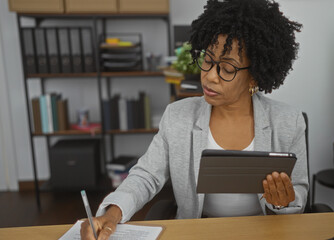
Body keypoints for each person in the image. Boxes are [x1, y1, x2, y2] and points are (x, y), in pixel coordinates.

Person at [81, 0, 306, 239]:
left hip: (263, 233)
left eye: (227, 69)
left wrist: (283, 201)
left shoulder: (288, 122)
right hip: (198, 233)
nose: (209, 76)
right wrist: (112, 214)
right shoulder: (177, 116)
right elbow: (146, 175)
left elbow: (299, 191)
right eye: (207, 60)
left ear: (254, 77)